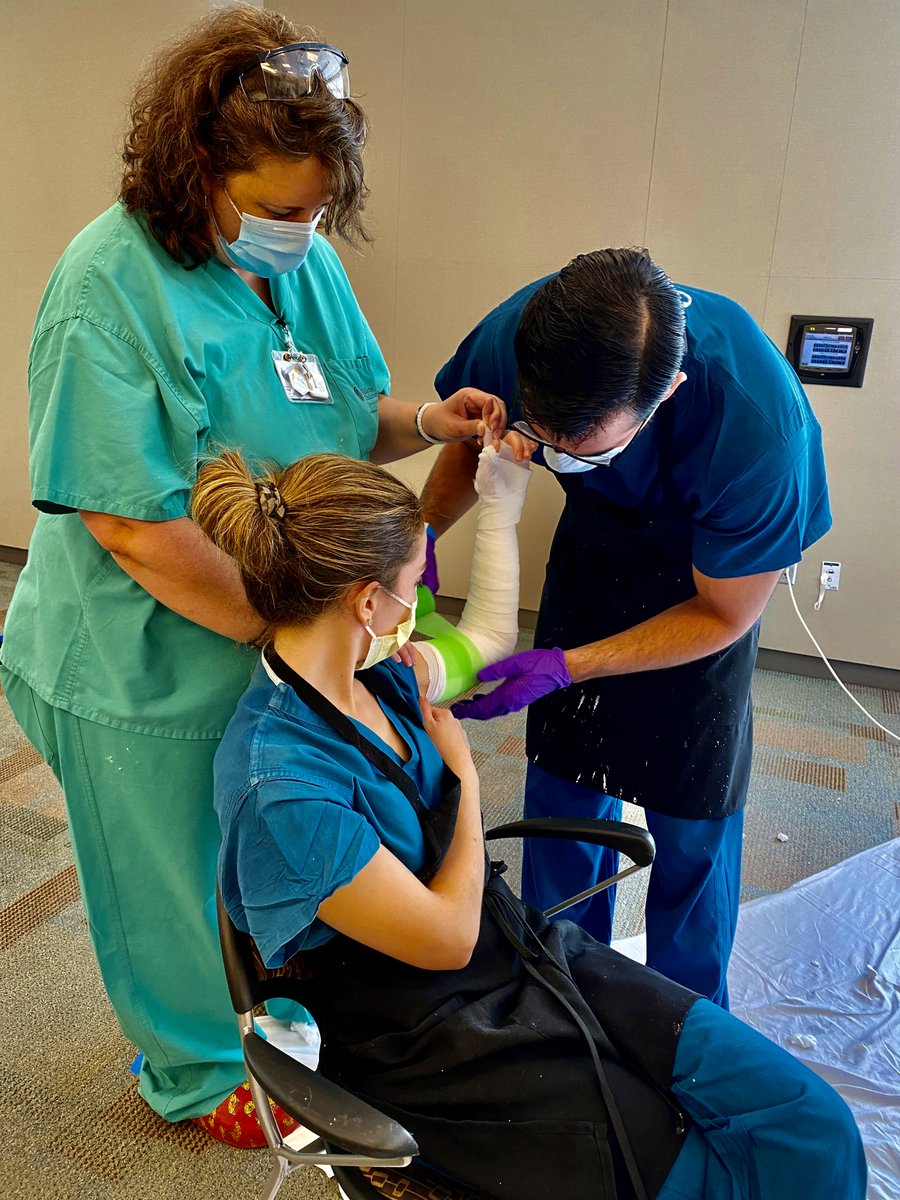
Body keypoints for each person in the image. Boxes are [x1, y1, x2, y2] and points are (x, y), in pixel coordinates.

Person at [0, 6, 501, 1142]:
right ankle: (187, 1069)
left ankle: (267, 1012)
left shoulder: (301, 259)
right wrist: (302, 650)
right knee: (168, 869)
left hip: (268, 626)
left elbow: (330, 413)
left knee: (250, 844)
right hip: (140, 653)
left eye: (322, 207)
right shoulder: (107, 290)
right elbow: (132, 526)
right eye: (280, 208)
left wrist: (425, 418)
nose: (305, 227)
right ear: (198, 169)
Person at [200, 447, 864, 1200]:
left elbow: (485, 638)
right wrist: (468, 778)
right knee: (700, 1174)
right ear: (365, 602)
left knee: (813, 1126)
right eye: (415, 582)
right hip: (428, 1031)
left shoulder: (381, 674)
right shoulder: (285, 794)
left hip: (517, 950)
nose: (422, 599)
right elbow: (445, 941)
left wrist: (502, 497)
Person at [422, 248, 832, 1009]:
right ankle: (562, 996)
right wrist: (419, 534)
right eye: (548, 440)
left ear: (667, 393)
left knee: (692, 817)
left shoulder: (756, 426)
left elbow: (725, 612)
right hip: (598, 552)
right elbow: (464, 439)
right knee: (563, 791)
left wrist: (568, 666)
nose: (558, 461)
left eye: (591, 451)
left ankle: (689, 1026)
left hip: (707, 585)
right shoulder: (521, 334)